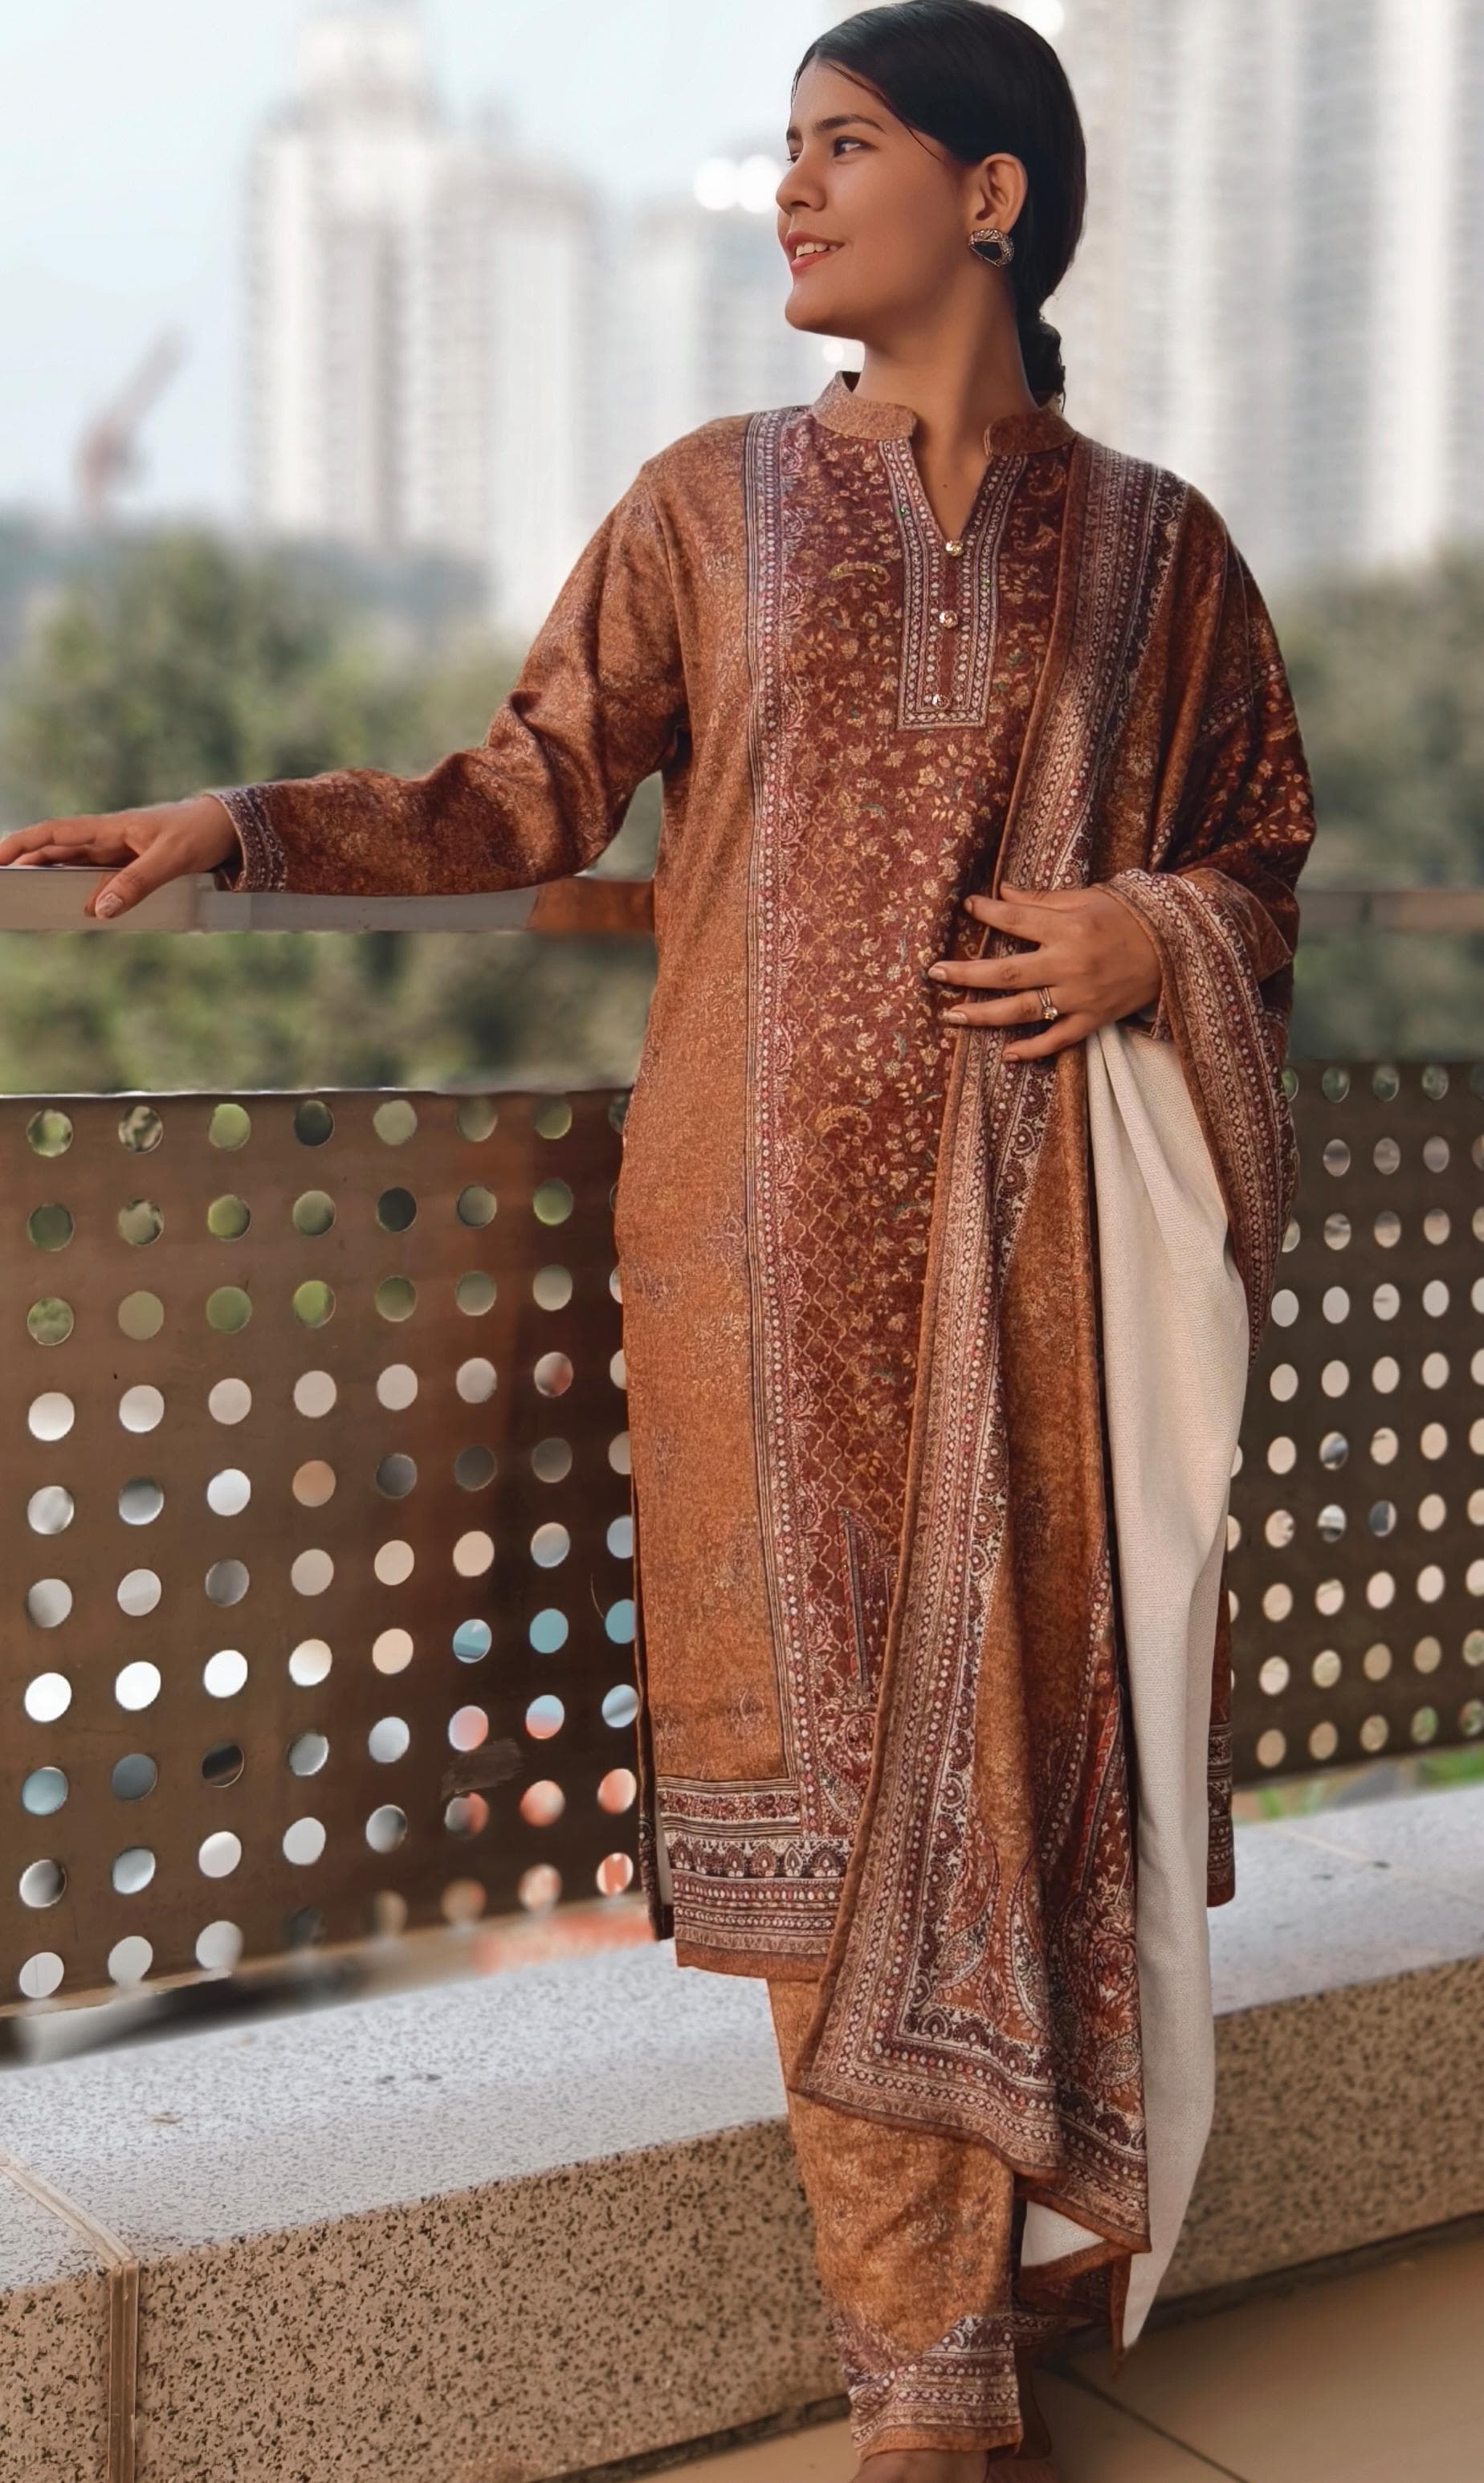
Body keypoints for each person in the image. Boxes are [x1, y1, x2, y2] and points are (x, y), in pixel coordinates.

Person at [0, 6, 1315, 2474]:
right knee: (831, 1784)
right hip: (755, 1254)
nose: (792, 189)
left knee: (1026, 1738)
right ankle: (921, 2366)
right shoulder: (712, 507)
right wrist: (248, 826)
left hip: (1044, 1267)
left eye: (846, 144)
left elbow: (1260, 844)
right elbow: (523, 790)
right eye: (784, 147)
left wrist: (1150, 934)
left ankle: (995, 2292)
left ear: (994, 197)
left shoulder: (1162, 551)